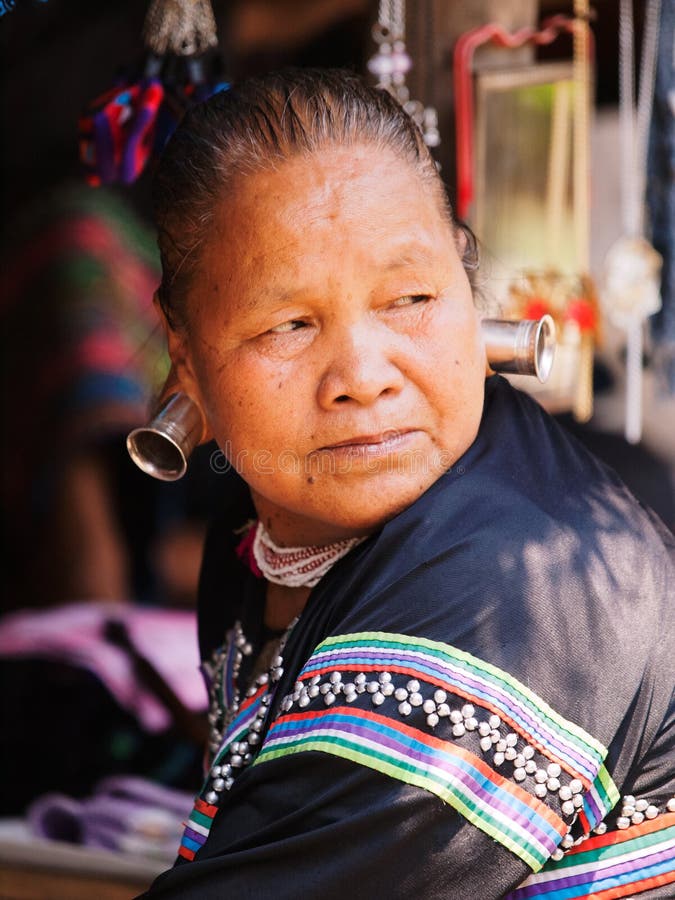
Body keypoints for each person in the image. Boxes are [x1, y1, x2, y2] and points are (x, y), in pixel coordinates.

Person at [140, 69, 674, 899]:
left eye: (409, 298)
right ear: (184, 349)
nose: (361, 376)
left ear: (464, 283)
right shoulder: (264, 539)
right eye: (288, 323)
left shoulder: (510, 589)